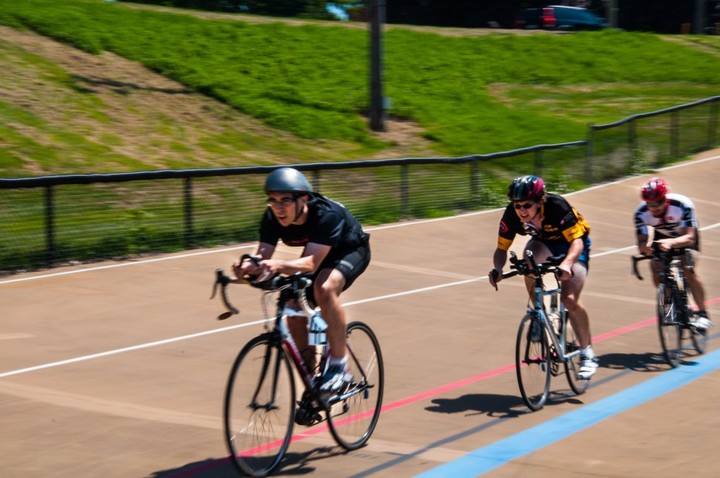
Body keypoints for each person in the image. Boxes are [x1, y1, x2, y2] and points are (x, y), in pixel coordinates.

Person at [233, 167, 371, 396]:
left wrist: (278, 265)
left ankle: (339, 367)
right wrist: (249, 266)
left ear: (303, 199)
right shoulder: (271, 217)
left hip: (349, 249)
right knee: (292, 307)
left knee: (323, 288)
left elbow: (311, 265)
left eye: (285, 200)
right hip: (316, 251)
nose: (278, 207)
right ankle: (313, 380)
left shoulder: (326, 215)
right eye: (272, 200)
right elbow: (263, 254)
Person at [487, 175, 598, 380]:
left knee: (569, 299)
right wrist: (498, 269)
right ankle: (538, 311)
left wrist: (566, 264)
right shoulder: (512, 215)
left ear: (540, 201)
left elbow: (577, 242)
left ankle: (587, 354)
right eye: (517, 205)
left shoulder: (557, 206)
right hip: (545, 244)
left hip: (573, 245)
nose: (521, 210)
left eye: (527, 205)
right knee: (526, 260)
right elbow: (501, 249)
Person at [634, 177, 712, 331]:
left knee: (687, 268)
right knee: (656, 267)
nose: (654, 208)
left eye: (658, 203)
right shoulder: (641, 213)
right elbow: (641, 242)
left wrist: (672, 243)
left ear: (665, 200)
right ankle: (671, 305)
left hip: (685, 236)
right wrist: (646, 248)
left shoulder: (682, 205)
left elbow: (690, 238)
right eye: (650, 204)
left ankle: (703, 314)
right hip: (662, 236)